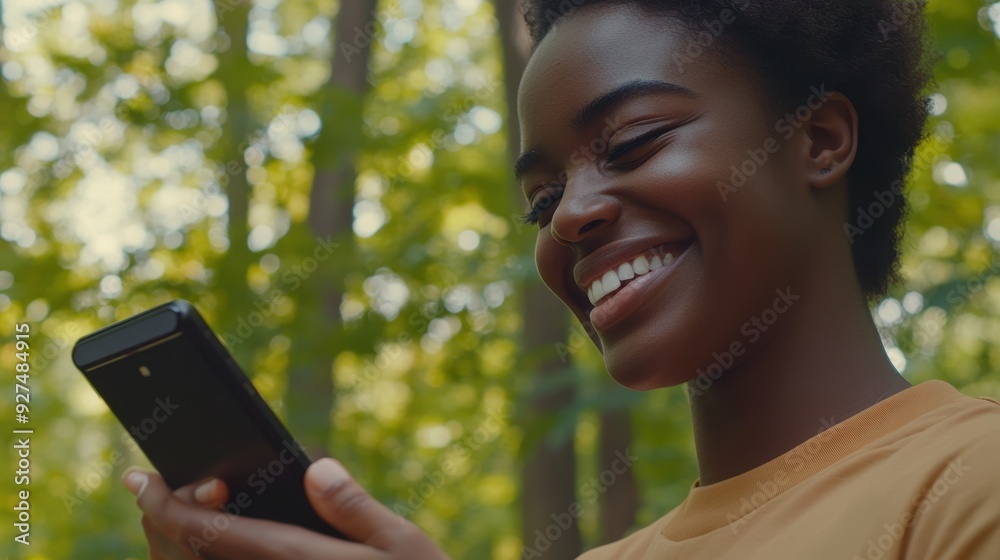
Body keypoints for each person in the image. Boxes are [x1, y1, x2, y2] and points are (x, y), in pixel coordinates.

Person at [121, 1, 1000, 558]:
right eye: (541, 200)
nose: (572, 214)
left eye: (630, 143)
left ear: (820, 141)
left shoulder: (967, 483)